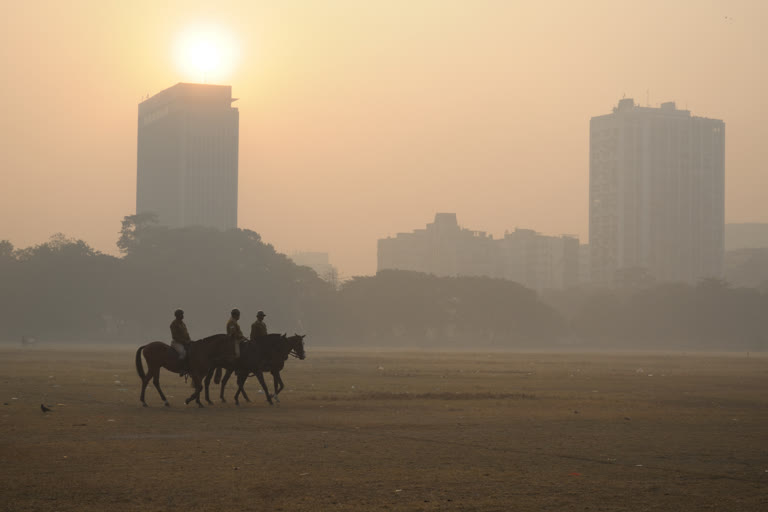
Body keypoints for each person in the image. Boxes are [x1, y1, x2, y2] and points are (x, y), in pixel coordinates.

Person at [170, 309, 191, 374]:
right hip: (177, 343)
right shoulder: (173, 324)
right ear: (177, 316)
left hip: (185, 342)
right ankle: (181, 369)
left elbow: (186, 334)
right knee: (183, 353)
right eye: (181, 314)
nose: (182, 316)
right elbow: (175, 336)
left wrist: (189, 340)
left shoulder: (183, 323)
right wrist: (184, 341)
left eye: (182, 314)